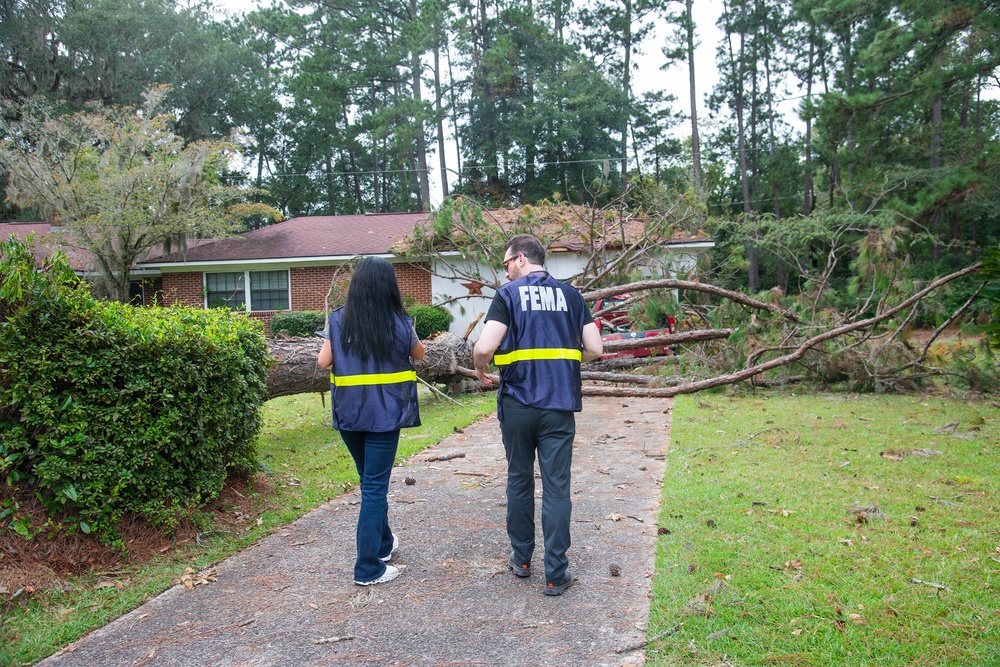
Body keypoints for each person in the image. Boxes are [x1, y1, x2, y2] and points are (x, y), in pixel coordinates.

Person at [473, 234, 603, 596]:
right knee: (557, 486)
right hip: (559, 404)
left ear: (521, 259)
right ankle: (555, 574)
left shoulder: (508, 296)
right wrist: (567, 362)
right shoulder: (572, 296)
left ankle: (522, 560)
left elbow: (485, 346)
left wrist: (481, 369)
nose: (505, 272)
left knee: (519, 479)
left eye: (505, 264)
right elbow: (595, 347)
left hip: (517, 403)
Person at [317, 257, 425, 586]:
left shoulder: (338, 320)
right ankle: (367, 567)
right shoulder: (400, 322)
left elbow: (323, 362)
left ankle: (383, 544)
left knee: (369, 483)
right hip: (384, 417)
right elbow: (419, 354)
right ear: (388, 286)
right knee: (374, 488)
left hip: (349, 416)